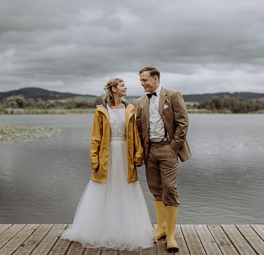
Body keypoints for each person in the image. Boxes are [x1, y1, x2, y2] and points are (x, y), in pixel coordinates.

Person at [61, 78, 153, 251]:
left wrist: (139, 154)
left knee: (126, 189)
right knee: (103, 188)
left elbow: (135, 134)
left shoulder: (130, 109)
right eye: (122, 85)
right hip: (107, 155)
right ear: (114, 89)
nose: (126, 87)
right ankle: (100, 229)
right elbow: (95, 138)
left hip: (125, 155)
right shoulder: (101, 111)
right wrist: (94, 160)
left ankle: (126, 230)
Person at [136, 66, 191, 252]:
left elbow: (183, 123)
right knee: (155, 190)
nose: (142, 84)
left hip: (168, 149)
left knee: (169, 188)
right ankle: (161, 228)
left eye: (144, 80)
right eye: (141, 81)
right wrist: (141, 152)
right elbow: (139, 129)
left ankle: (171, 236)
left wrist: (173, 148)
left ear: (156, 78)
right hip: (149, 151)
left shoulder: (173, 95)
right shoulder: (141, 101)